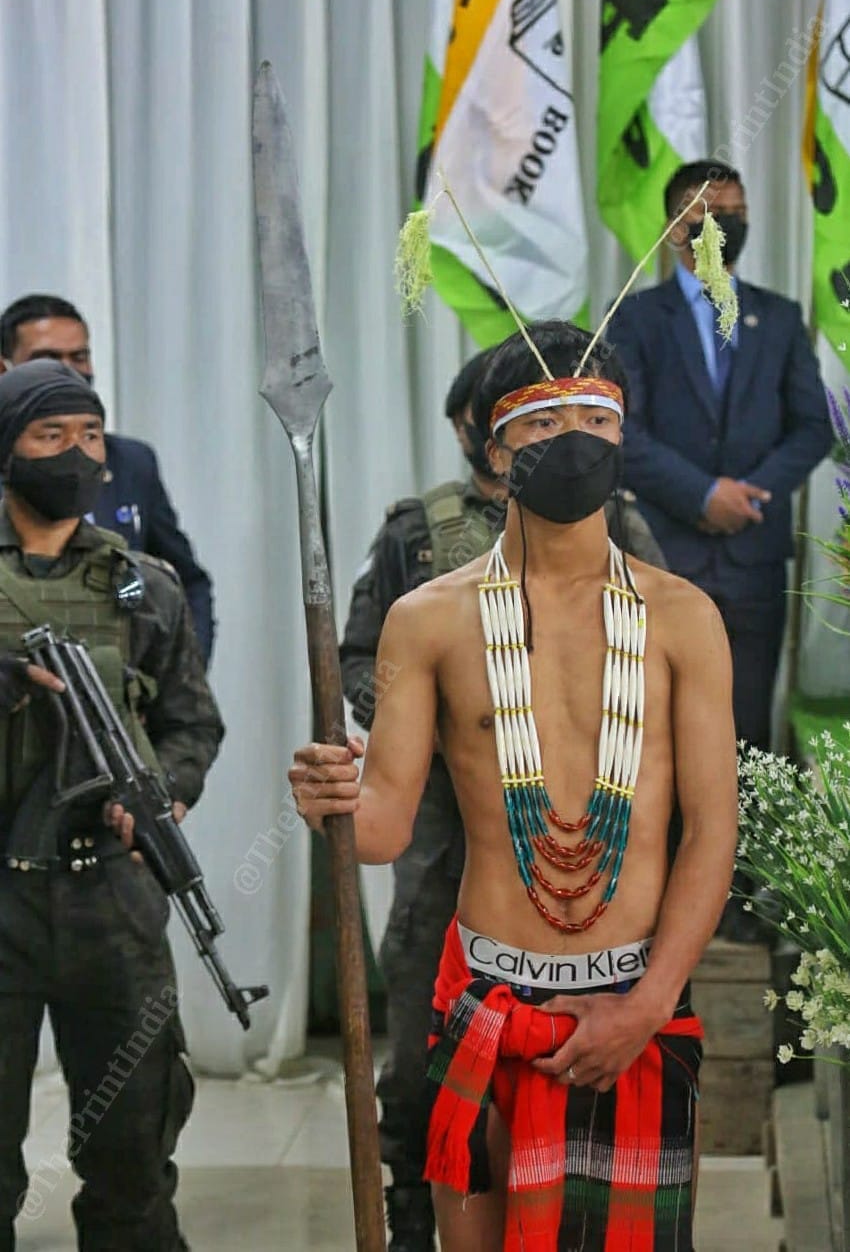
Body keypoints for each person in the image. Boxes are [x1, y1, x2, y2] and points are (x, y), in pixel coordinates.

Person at [292, 321, 738, 1252]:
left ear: (623, 436)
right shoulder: (430, 620)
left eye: (593, 414)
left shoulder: (683, 617)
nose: (569, 433)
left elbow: (710, 834)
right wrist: (328, 798)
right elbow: (378, 833)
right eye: (540, 419)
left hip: (634, 998)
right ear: (494, 450)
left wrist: (647, 1004)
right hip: (490, 996)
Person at [0, 360, 223, 1250]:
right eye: (51, 436)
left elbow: (189, 720)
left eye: (91, 435)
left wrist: (164, 793)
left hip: (111, 902)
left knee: (132, 1154)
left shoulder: (135, 582)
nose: (78, 454)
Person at [606, 160, 832, 755]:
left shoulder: (780, 317)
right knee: (656, 731)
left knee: (746, 735)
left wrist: (746, 493)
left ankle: (745, 853)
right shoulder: (632, 318)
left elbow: (813, 426)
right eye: (713, 211)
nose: (729, 223)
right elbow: (622, 428)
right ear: (678, 225)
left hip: (753, 557)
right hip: (662, 553)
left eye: (739, 212)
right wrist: (703, 496)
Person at [0, 294, 215, 664]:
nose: (71, 371)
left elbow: (184, 580)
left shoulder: (130, 462)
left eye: (79, 357)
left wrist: (178, 676)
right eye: (49, 358)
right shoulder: (17, 466)